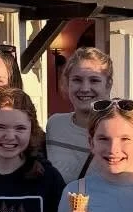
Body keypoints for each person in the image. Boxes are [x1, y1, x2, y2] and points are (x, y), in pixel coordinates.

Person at [45, 46, 112, 183]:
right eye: (77, 80)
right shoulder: (55, 124)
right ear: (67, 83)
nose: (85, 88)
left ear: (108, 84)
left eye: (94, 80)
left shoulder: (116, 131)